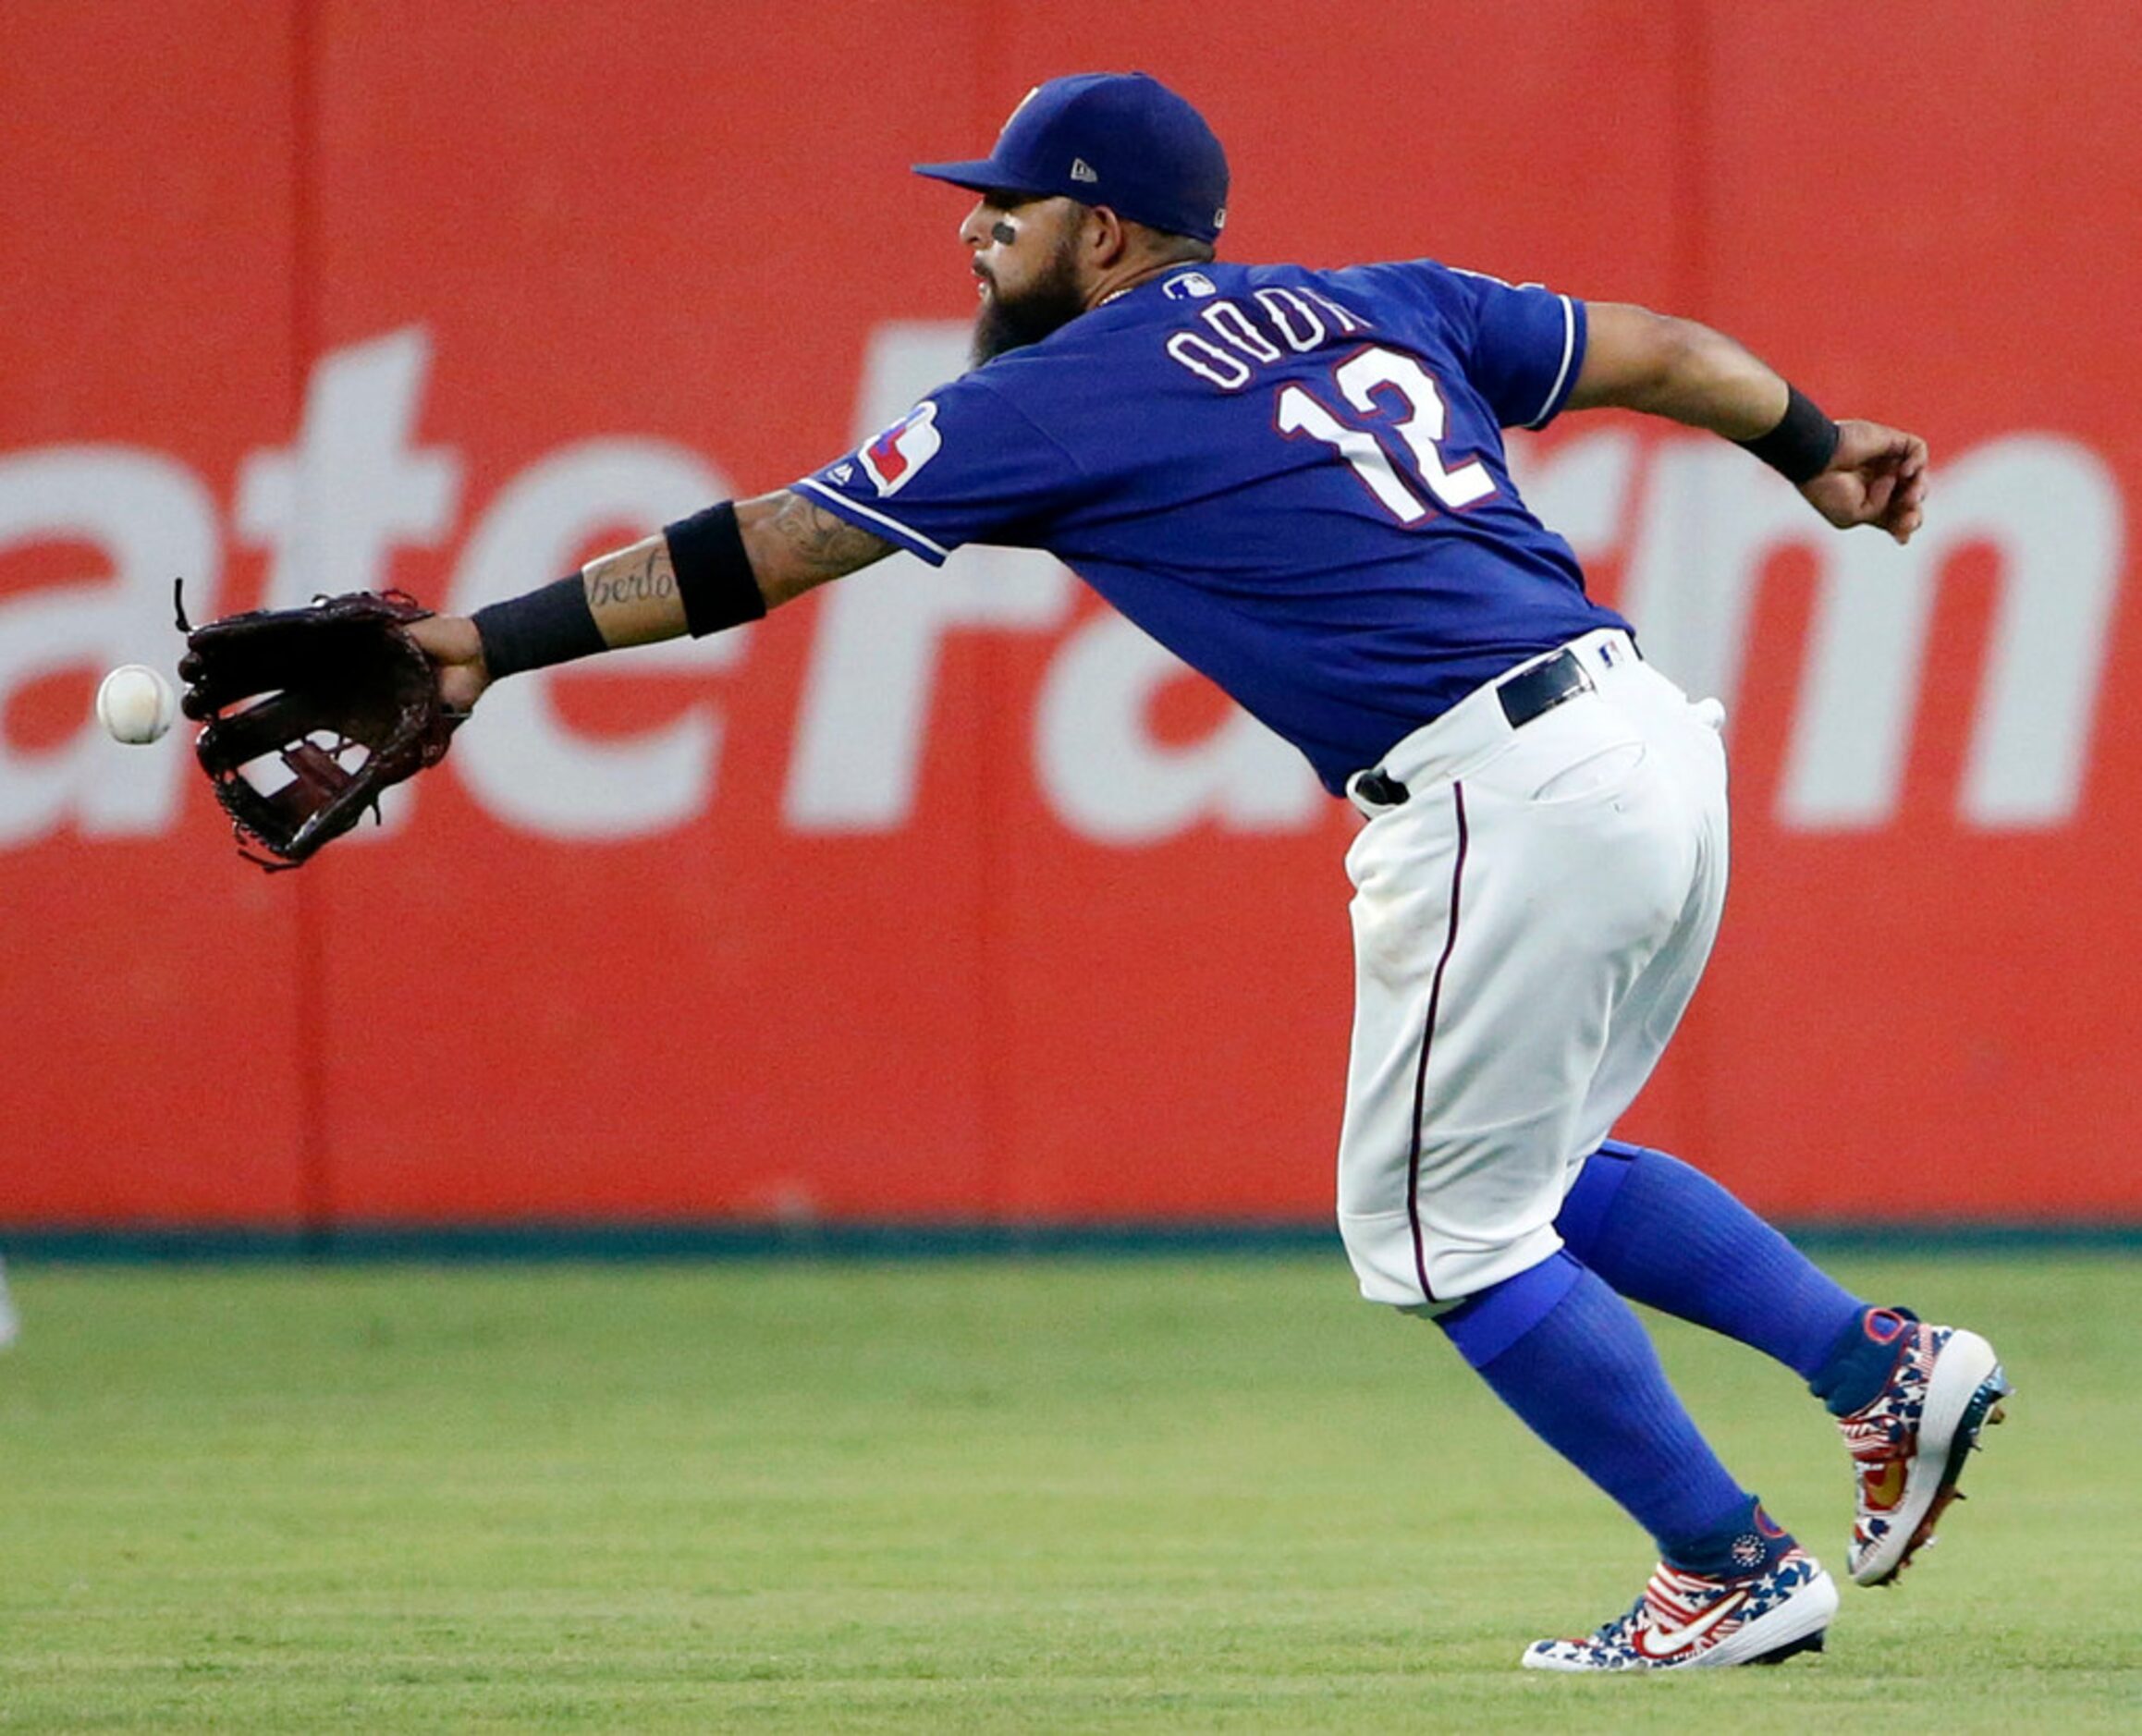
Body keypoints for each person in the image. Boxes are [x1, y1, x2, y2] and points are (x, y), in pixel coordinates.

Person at [409, 72, 2008, 1669]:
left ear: (1100, 232)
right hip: (1642, 738)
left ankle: (1724, 1563)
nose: (974, 231)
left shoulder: (1047, 396)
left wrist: (484, 644)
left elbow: (759, 547)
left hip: (1497, 788)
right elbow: (1654, 347)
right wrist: (1812, 443)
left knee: (1434, 1238)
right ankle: (1874, 1367)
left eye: (1007, 208)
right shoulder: (1376, 303)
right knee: (1536, 1174)